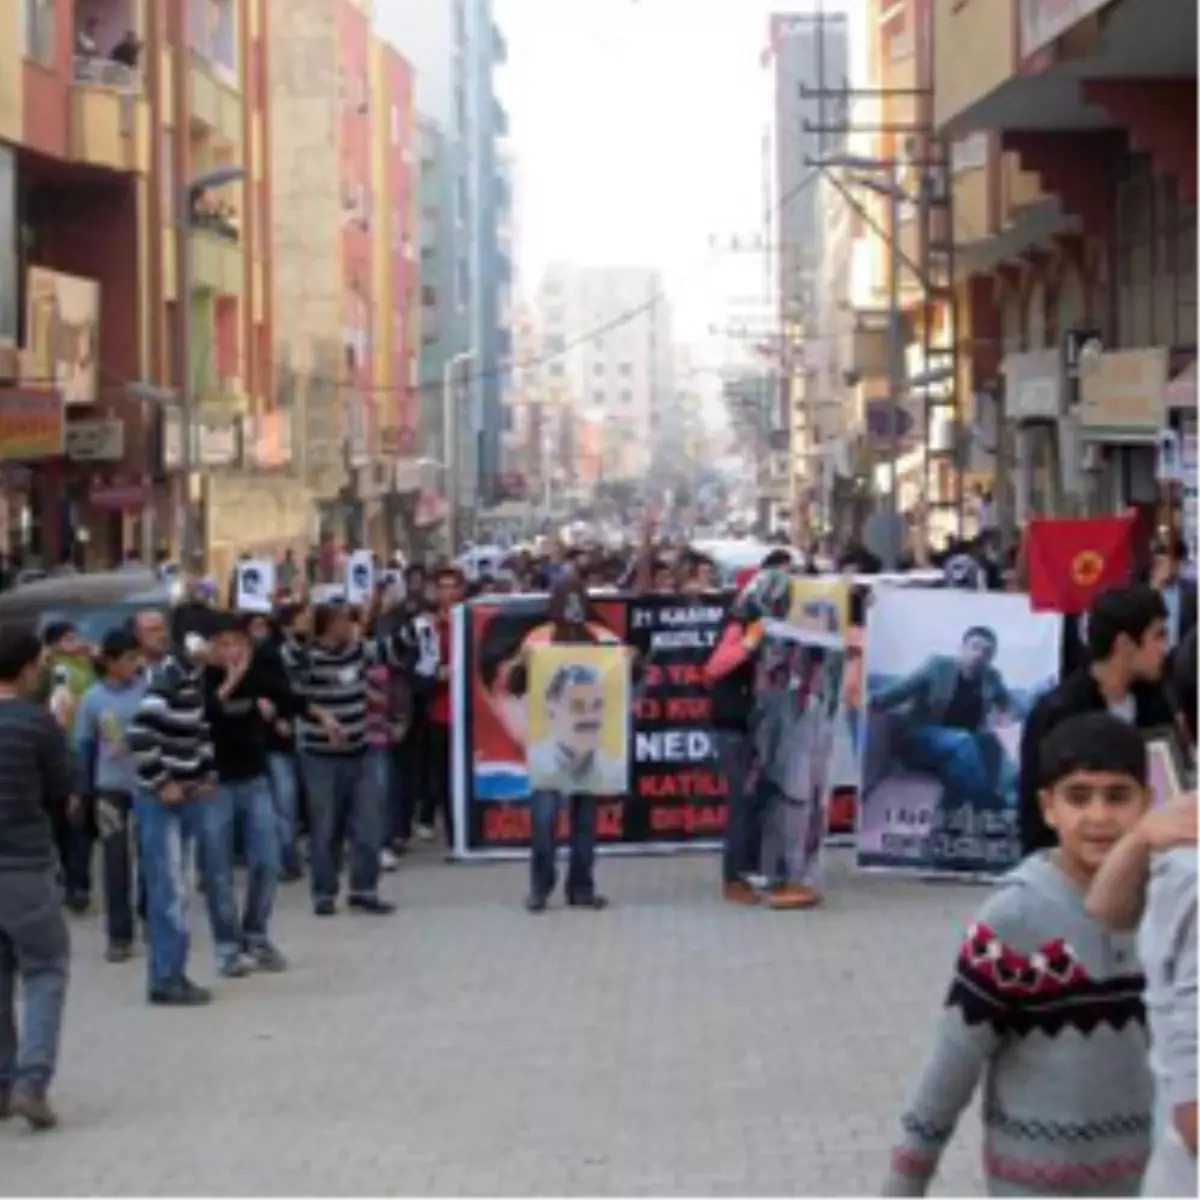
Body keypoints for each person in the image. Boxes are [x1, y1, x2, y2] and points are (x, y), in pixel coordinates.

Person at [882, 712, 1154, 1198]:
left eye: (1117, 796)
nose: (1098, 816)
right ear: (1048, 808)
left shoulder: (1167, 907)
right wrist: (904, 1183)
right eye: (1078, 797)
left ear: (1146, 802)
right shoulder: (1015, 919)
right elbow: (953, 1063)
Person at [199, 612, 340, 975]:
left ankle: (256, 934)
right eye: (223, 644)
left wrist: (322, 717)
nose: (231, 652)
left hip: (254, 779)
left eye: (238, 644)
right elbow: (202, 716)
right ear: (211, 648)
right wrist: (230, 683)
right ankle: (227, 947)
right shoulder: (198, 679)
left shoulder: (258, 675)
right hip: (213, 785)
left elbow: (290, 698)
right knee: (217, 871)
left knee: (268, 859)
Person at [1019, 584, 1172, 856]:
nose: (1165, 648)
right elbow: (1035, 809)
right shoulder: (1059, 712)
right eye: (1158, 635)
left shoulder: (1156, 705)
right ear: (1125, 644)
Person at [287, 603, 414, 916]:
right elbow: (291, 679)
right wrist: (301, 634)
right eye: (343, 621)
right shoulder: (308, 658)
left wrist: (412, 619)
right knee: (325, 827)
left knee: (369, 824)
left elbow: (394, 650)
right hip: (320, 756)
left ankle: (364, 889)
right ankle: (324, 893)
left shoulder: (359, 651)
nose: (349, 626)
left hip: (361, 751)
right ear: (328, 626)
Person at [0, 624, 77, 1130]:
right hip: (24, 863)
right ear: (28, 669)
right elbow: (63, 788)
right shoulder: (36, 723)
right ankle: (31, 1082)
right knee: (46, 969)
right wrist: (61, 727)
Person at [507, 577, 622, 913]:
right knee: (544, 820)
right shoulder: (538, 638)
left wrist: (633, 662)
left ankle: (581, 888)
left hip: (589, 742)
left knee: (585, 822)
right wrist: (523, 665)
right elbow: (516, 685)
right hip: (549, 742)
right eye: (565, 599)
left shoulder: (602, 637)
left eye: (577, 599)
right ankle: (540, 887)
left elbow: (622, 678)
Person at [125, 626, 217, 1006]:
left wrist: (207, 772)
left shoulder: (192, 680)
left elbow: (199, 730)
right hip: (161, 804)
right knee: (169, 891)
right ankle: (165, 978)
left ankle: (173, 972)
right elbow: (138, 733)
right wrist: (162, 781)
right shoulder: (169, 680)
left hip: (187, 797)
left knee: (179, 889)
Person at [868, 624, 1023, 818]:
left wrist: (1011, 717)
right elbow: (902, 690)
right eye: (975, 647)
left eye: (987, 652)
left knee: (969, 756)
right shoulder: (938, 666)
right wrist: (872, 702)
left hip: (959, 751)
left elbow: (1010, 705)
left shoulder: (992, 677)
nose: (979, 655)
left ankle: (958, 814)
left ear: (991, 658)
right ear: (962, 648)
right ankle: (988, 803)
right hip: (921, 739)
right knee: (963, 740)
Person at [72, 628, 147, 963]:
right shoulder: (93, 698)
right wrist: (82, 791)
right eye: (129, 658)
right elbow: (84, 747)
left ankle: (150, 914)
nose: (135, 664)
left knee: (151, 855)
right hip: (110, 788)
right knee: (115, 860)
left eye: (137, 657)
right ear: (111, 662)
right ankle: (119, 934)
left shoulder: (147, 690)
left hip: (147, 784)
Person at [418, 566, 465, 844]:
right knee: (444, 774)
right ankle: (453, 832)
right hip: (441, 711)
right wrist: (436, 673)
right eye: (442, 587)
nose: (448, 593)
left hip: (468, 712)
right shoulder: (428, 627)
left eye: (452, 586)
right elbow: (420, 668)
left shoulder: (469, 620)